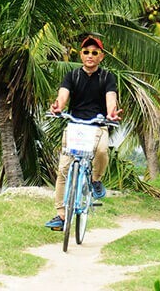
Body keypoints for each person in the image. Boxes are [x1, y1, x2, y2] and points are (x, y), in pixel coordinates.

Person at [45, 33, 122, 231]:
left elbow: (110, 98)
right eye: (86, 51)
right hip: (75, 125)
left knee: (102, 151)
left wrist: (111, 113)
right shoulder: (72, 75)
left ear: (101, 56)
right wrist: (58, 107)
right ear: (81, 54)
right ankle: (61, 215)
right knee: (63, 169)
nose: (90, 55)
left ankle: (96, 180)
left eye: (94, 52)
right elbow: (63, 96)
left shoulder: (107, 77)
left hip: (98, 125)